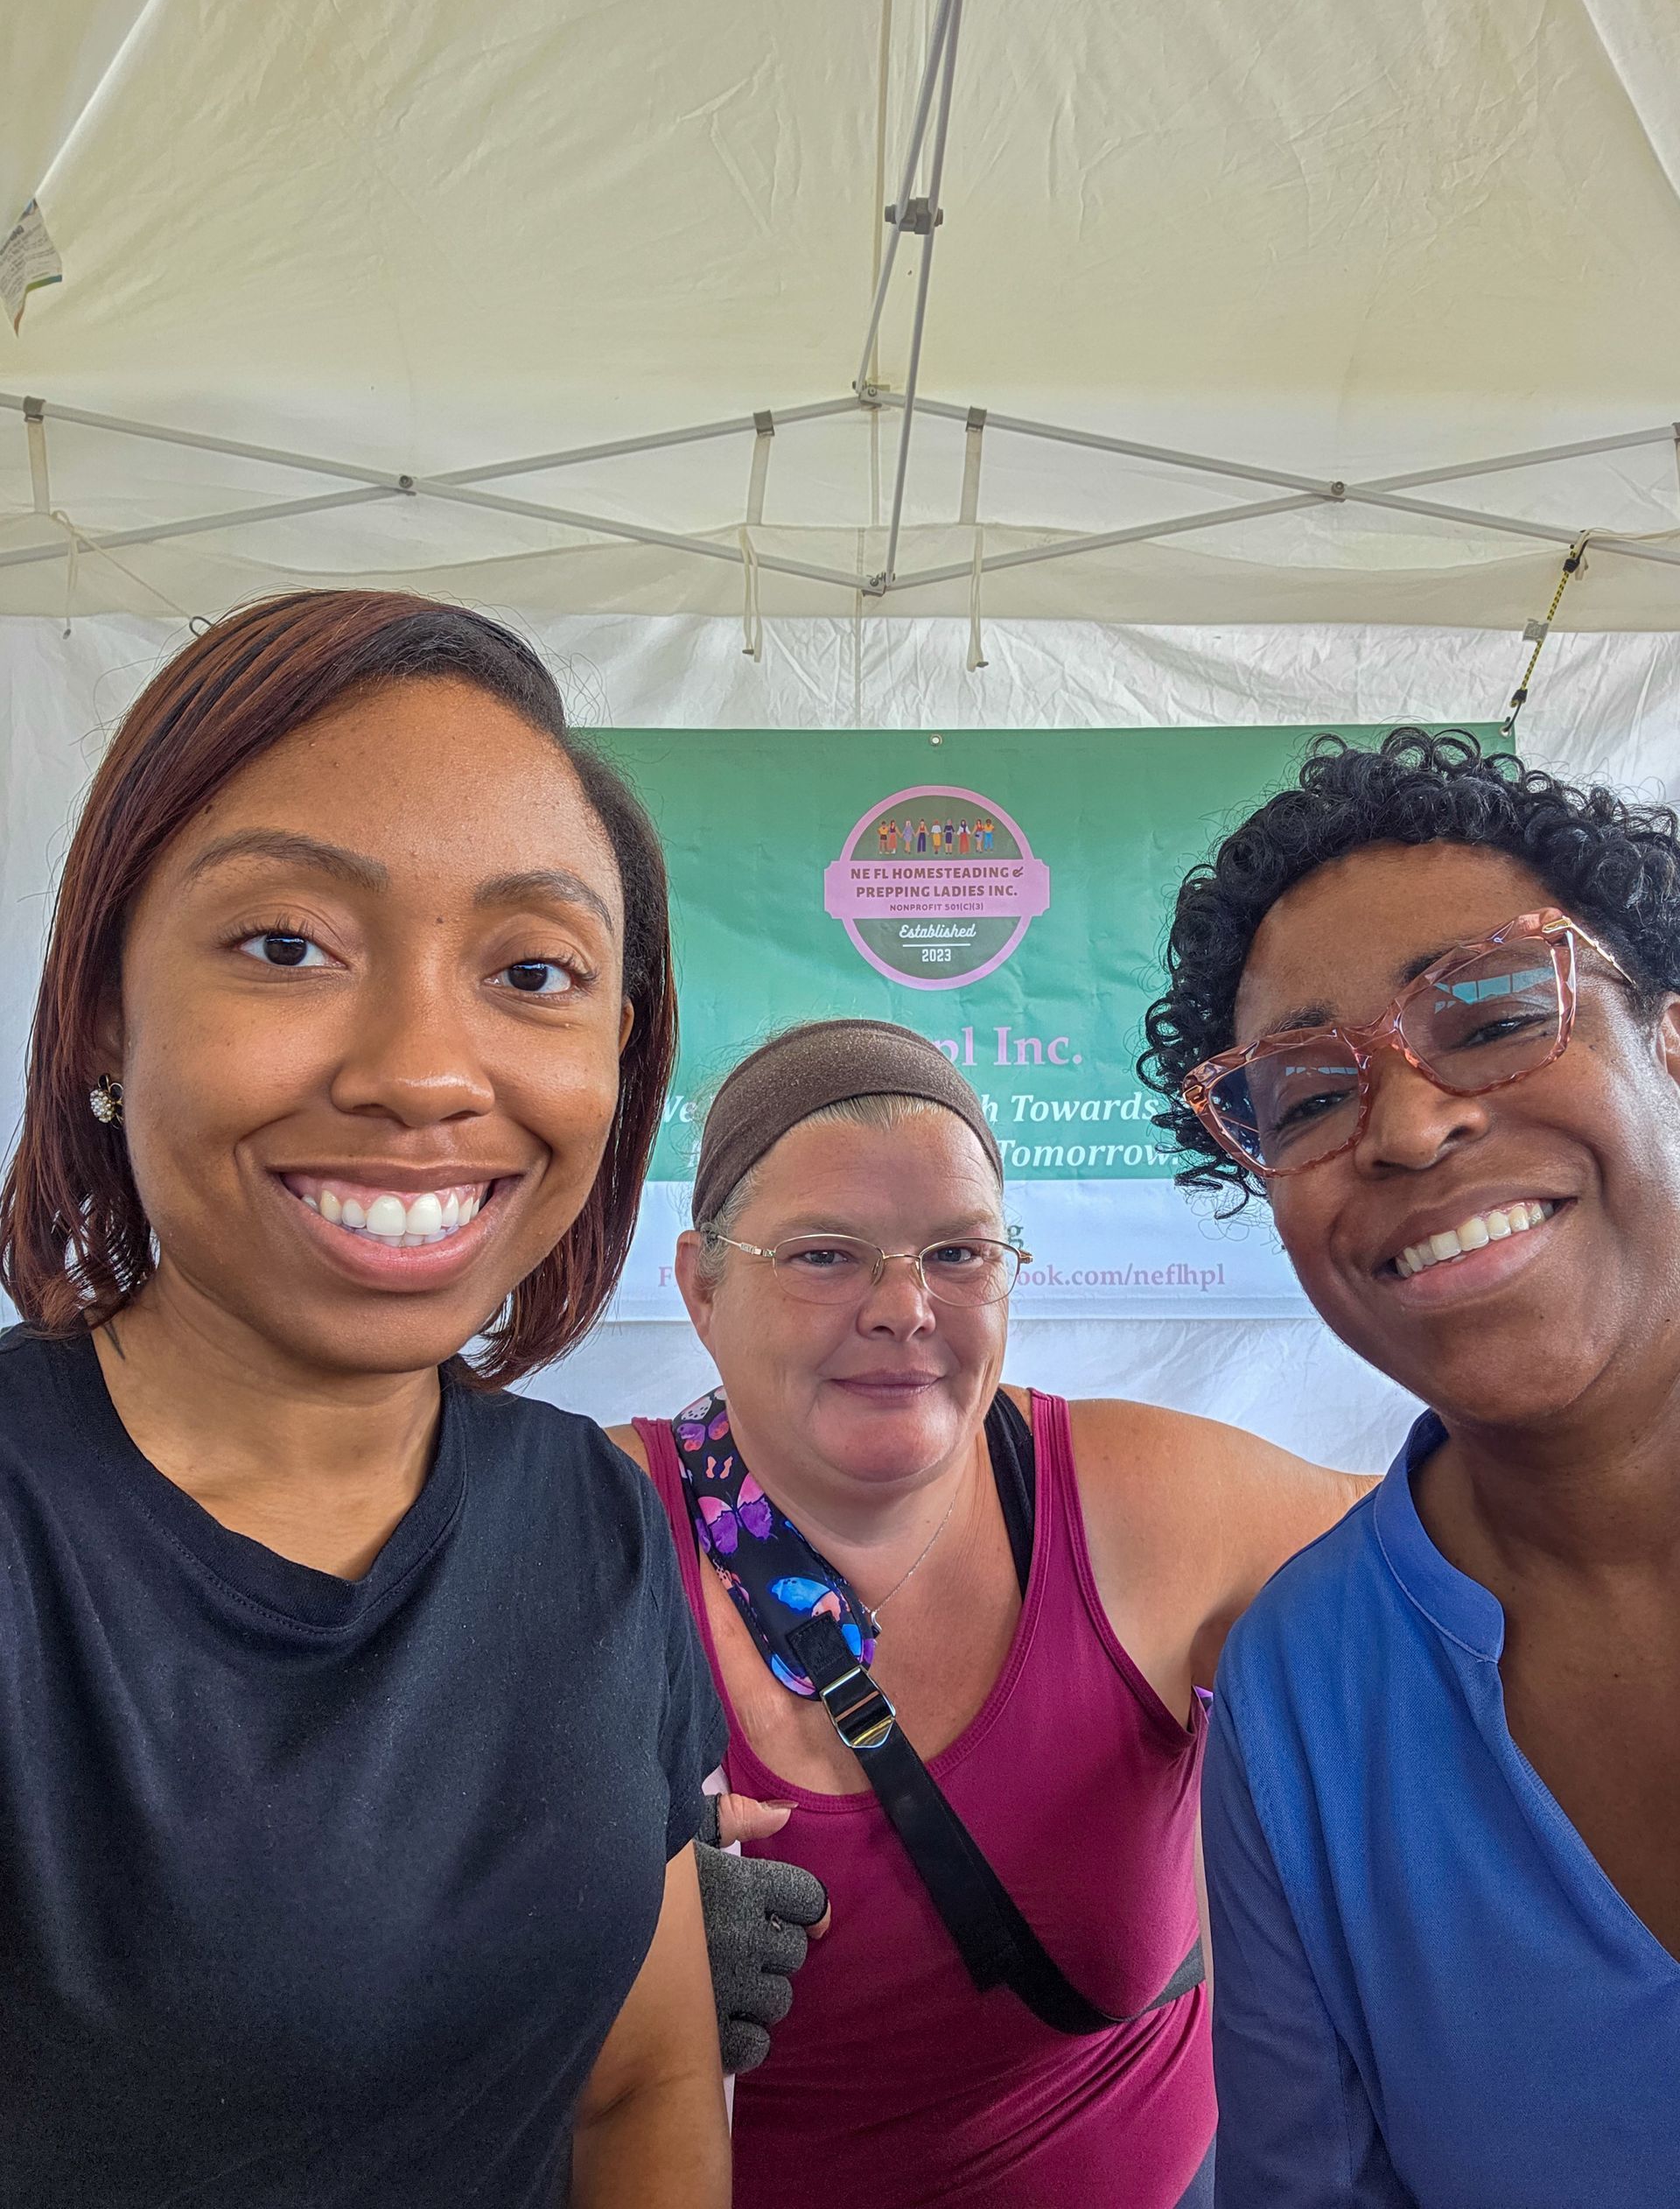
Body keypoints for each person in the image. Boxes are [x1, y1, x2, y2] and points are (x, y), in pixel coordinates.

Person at [0, 590, 730, 2208]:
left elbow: (647, 2088)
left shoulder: (596, 1518)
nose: (423, 1069)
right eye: (287, 946)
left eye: (533, 971)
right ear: (109, 1009)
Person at [608, 1018, 1373, 2209]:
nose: (904, 1308)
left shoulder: (1143, 1505)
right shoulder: (580, 1541)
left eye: (959, 1255)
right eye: (823, 1255)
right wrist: (582, 1938)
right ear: (703, 1286)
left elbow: (1502, 1570)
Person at [1140, 728, 1680, 2205]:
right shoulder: (1306, 1690)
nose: (1411, 1121)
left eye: (1495, 1010)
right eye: (1307, 1096)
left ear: (1670, 1039)